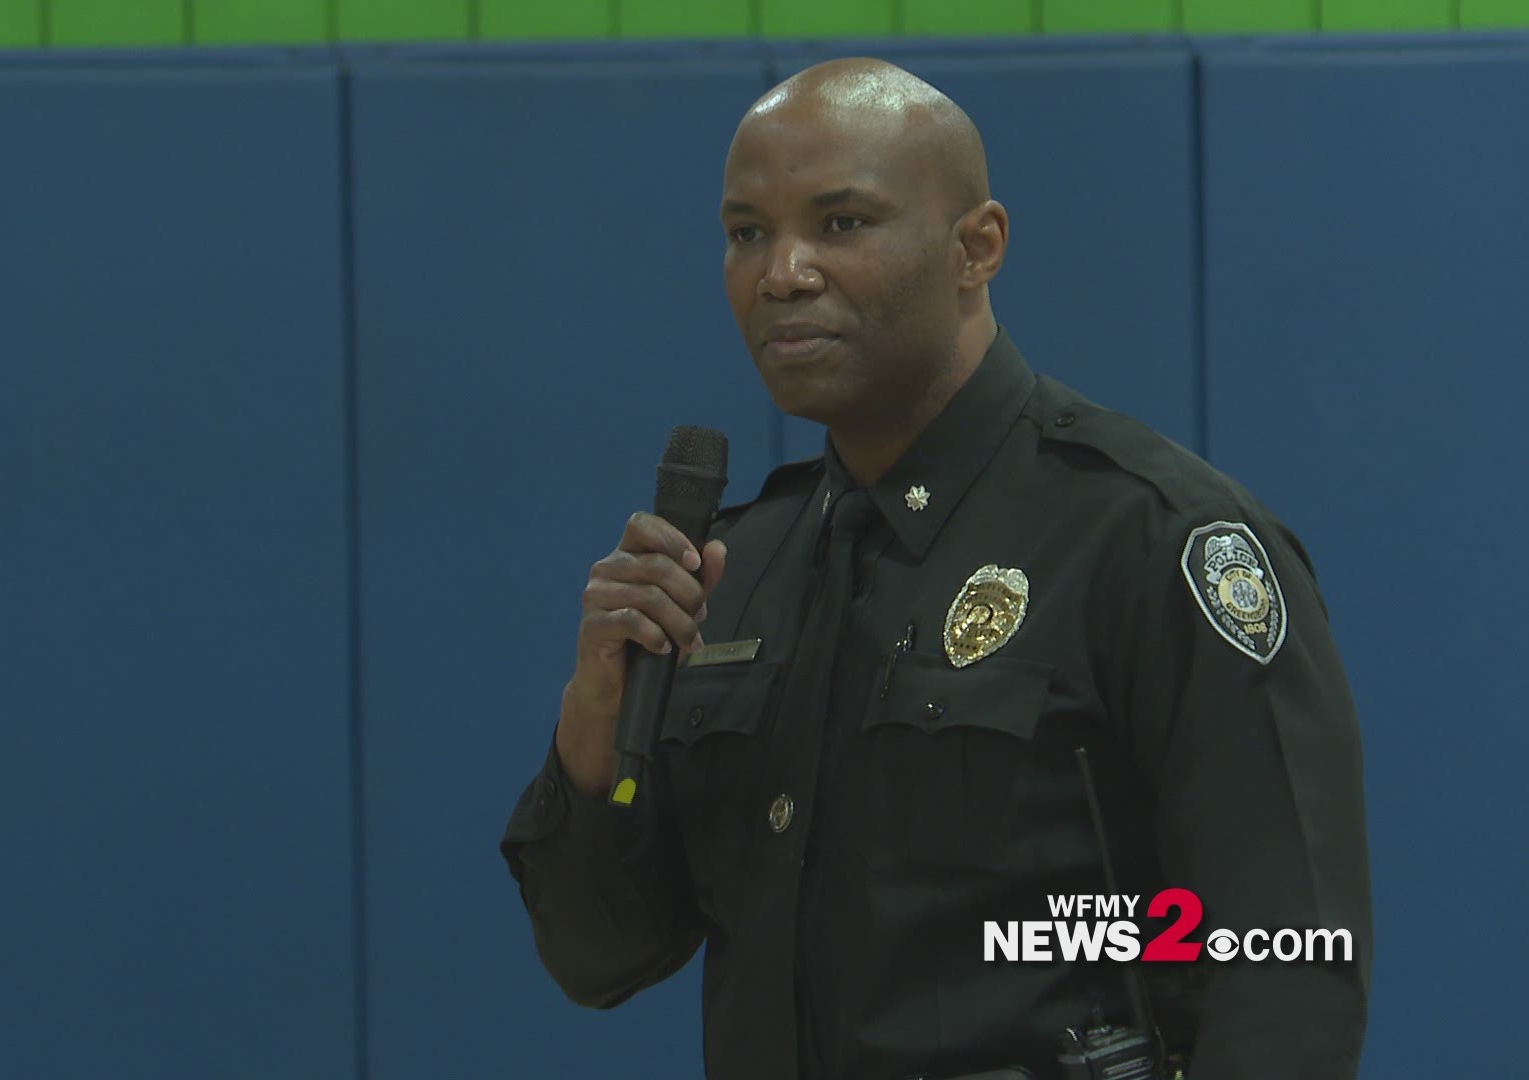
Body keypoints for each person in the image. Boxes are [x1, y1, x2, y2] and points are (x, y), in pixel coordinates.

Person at [498, 58, 1372, 1080]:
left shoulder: (1149, 540)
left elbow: (1290, 973)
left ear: (977, 248)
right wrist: (595, 736)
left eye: (841, 223)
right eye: (747, 233)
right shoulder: (742, 566)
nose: (783, 272)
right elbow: (600, 956)